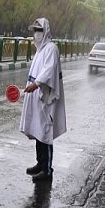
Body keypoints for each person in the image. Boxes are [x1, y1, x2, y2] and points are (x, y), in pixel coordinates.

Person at [20, 18, 66, 182]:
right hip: (36, 95)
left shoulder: (51, 49)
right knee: (38, 131)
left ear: (45, 31)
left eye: (39, 30)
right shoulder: (40, 50)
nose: (36, 34)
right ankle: (40, 163)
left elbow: (48, 71)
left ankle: (47, 170)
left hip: (45, 97)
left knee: (45, 132)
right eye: (34, 31)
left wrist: (36, 84)